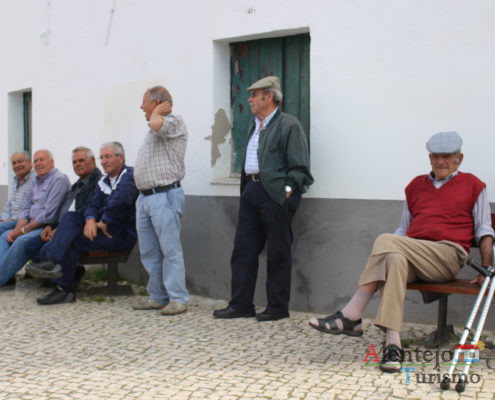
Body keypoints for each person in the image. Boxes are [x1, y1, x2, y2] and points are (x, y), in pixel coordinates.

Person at [308, 131, 495, 373]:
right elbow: (403, 231)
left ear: (459, 158)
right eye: (435, 156)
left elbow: (485, 231)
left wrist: (487, 267)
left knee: (386, 241)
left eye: (447, 157)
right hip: (412, 255)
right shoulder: (415, 186)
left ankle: (351, 314)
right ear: (429, 158)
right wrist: (385, 255)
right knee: (394, 259)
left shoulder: (474, 185)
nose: (440, 161)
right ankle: (393, 346)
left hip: (447, 256)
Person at [213, 76, 314, 322]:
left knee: (279, 252)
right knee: (243, 248)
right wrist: (247, 190)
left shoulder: (289, 125)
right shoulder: (254, 124)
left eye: (254, 95)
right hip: (251, 191)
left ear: (269, 96)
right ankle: (241, 304)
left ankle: (278, 308)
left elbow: (299, 168)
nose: (249, 99)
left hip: (276, 194)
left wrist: (287, 195)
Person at [26, 142, 139, 305]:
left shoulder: (129, 175)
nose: (104, 161)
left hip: (119, 234)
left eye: (108, 157)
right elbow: (93, 204)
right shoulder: (105, 181)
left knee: (72, 237)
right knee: (71, 220)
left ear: (120, 158)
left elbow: (120, 202)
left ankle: (56, 270)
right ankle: (64, 290)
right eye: (102, 158)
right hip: (101, 229)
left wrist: (104, 219)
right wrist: (91, 220)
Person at [131, 85, 189, 315]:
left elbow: (157, 125)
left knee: (170, 250)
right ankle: (158, 296)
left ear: (156, 103)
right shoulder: (153, 123)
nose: (141, 107)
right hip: (145, 198)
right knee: (149, 251)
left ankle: (178, 298)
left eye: (145, 102)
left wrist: (156, 114)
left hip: (164, 195)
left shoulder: (174, 120)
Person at [24, 146, 102, 282]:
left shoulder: (97, 183)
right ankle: (66, 274)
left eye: (81, 161)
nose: (77, 165)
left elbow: (84, 212)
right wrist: (50, 226)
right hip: (61, 226)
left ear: (93, 160)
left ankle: (62, 281)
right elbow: (63, 210)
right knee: (30, 245)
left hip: (77, 229)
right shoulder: (77, 184)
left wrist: (59, 229)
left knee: (46, 249)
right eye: (74, 162)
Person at [0, 150, 71, 287]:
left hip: (47, 227)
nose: (38, 163)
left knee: (21, 241)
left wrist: (21, 231)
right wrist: (16, 229)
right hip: (31, 224)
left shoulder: (59, 179)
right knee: (5, 235)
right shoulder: (37, 181)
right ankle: (5, 275)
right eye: (36, 161)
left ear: (52, 162)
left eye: (42, 160)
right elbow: (26, 209)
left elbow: (48, 215)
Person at [0, 151, 36, 235]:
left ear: (29, 162)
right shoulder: (15, 179)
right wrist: (4, 219)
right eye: (14, 163)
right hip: (9, 219)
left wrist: (8, 220)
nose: (17, 165)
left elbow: (29, 208)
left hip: (22, 221)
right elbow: (9, 204)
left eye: (20, 161)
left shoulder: (36, 179)